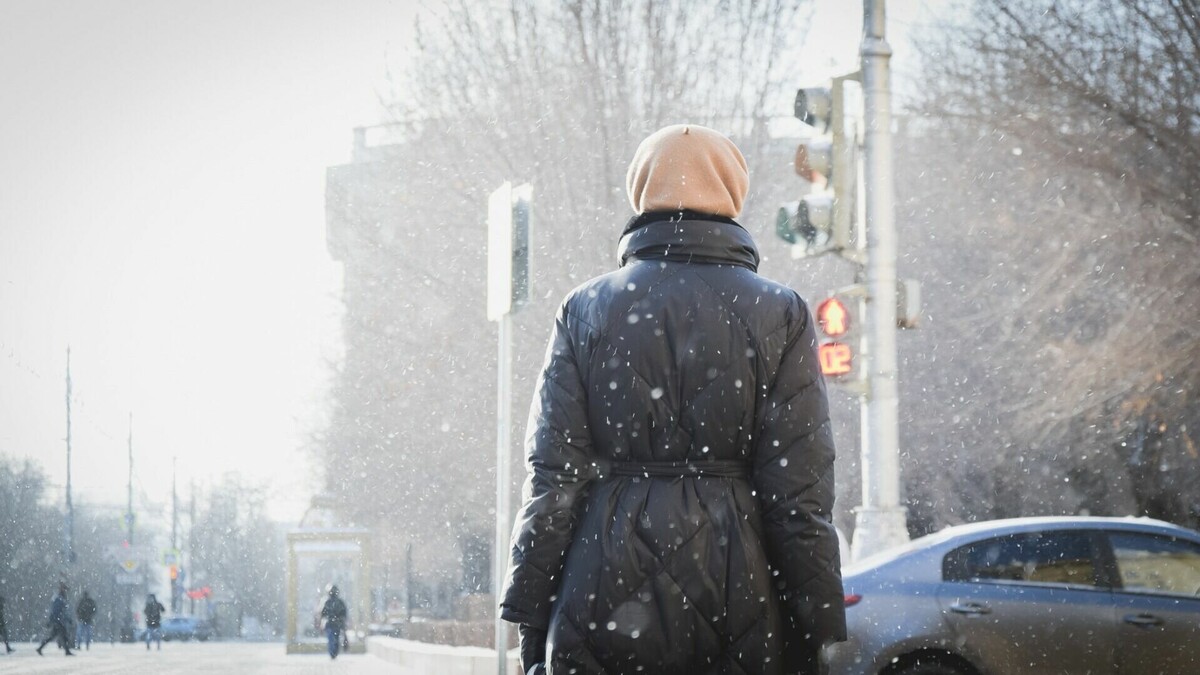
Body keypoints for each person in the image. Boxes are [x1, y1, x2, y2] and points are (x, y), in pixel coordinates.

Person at [500, 124, 847, 675]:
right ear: (733, 196)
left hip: (601, 591)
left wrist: (530, 615)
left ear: (641, 195)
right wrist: (817, 626)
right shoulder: (781, 313)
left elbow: (553, 479)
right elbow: (800, 493)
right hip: (741, 591)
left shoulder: (585, 310)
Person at [36, 583, 74, 656]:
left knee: (54, 636)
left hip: (59, 621)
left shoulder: (60, 598)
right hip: (59, 621)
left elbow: (61, 611)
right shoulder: (59, 599)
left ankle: (40, 648)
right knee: (62, 636)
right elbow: (57, 611)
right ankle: (67, 651)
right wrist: (56, 620)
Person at [320, 585, 348, 660]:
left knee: (332, 639)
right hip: (336, 624)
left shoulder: (327, 602)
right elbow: (344, 613)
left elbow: (323, 613)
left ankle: (333, 653)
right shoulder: (339, 602)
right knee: (335, 639)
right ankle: (334, 653)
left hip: (330, 624)